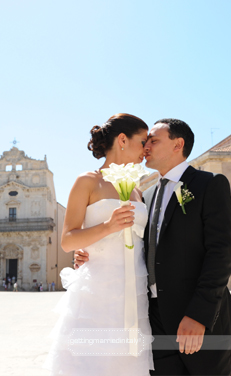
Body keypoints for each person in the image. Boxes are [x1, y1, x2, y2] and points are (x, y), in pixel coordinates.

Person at [75, 119, 231, 375]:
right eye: (145, 142)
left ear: (178, 145)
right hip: (153, 320)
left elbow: (220, 253)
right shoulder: (144, 196)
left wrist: (199, 315)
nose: (146, 147)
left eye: (153, 141)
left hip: (200, 320)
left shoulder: (209, 184)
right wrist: (88, 253)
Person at [44, 114, 154, 375]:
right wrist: (107, 227)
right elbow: (68, 240)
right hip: (97, 292)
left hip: (135, 290)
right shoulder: (88, 181)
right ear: (123, 140)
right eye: (142, 141)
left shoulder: (137, 189)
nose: (146, 149)